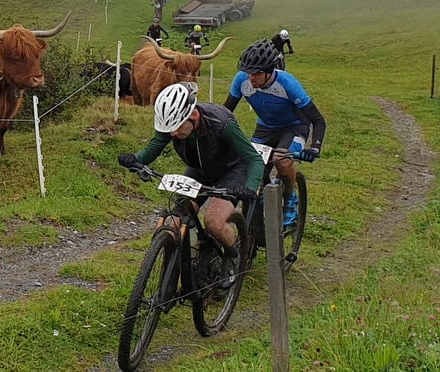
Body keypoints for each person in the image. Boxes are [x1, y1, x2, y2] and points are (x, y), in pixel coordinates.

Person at [119, 82, 265, 289]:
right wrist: (136, 160)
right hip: (199, 169)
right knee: (173, 222)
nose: (172, 135)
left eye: (176, 129)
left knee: (214, 221)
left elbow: (253, 159)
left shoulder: (222, 123)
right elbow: (156, 144)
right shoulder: (172, 123)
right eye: (168, 130)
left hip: (232, 170)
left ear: (194, 116)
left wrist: (250, 187)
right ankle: (172, 276)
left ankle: (232, 256)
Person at [222, 39, 327, 228]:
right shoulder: (241, 80)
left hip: (294, 126)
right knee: (251, 168)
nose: (251, 78)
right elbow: (226, 112)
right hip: (265, 128)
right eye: (248, 73)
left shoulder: (287, 83)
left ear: (269, 70)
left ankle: (289, 196)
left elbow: (318, 120)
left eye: (257, 73)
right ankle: (256, 222)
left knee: (281, 160)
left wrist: (315, 148)